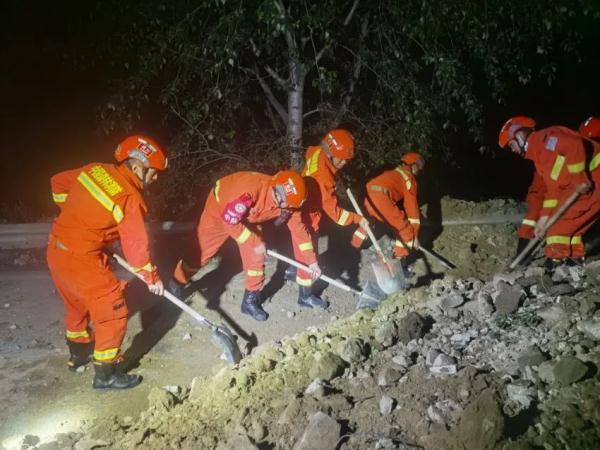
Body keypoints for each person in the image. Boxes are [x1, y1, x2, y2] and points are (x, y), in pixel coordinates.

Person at [48, 135, 167, 390]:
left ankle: (78, 356)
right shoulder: (129, 198)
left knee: (77, 305)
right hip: (83, 261)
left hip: (56, 250)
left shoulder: (94, 170)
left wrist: (71, 213)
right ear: (137, 167)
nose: (156, 179)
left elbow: (57, 183)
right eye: (154, 173)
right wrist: (151, 277)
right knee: (113, 312)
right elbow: (136, 247)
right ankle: (106, 374)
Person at [171, 170, 321, 321]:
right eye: (278, 198)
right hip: (220, 209)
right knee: (201, 255)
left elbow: (299, 232)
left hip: (248, 217)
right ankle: (177, 281)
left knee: (256, 255)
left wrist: (312, 262)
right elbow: (229, 222)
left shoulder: (290, 204)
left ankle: (249, 301)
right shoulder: (250, 190)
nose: (281, 205)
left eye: (287, 206)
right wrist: (255, 241)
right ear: (275, 185)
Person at [499, 116, 600, 267]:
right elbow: (553, 191)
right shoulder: (540, 159)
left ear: (519, 135)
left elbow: (573, 145)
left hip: (595, 182)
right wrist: (544, 219)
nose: (512, 150)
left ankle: (554, 271)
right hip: (592, 186)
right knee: (572, 230)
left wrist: (579, 177)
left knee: (557, 232)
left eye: (511, 144)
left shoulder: (545, 140)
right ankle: (574, 265)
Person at [284, 129, 368, 306]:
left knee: (299, 248)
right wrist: (357, 219)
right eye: (342, 159)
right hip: (307, 215)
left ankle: (293, 270)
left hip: (300, 204)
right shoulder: (324, 180)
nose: (345, 162)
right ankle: (305, 297)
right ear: (331, 154)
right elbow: (336, 215)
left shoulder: (317, 151)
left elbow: (310, 151)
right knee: (309, 253)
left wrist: (334, 169)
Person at [351, 153, 424, 261]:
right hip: (381, 197)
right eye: (419, 169)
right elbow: (412, 209)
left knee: (367, 220)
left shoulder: (395, 172)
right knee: (405, 229)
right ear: (414, 165)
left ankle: (353, 247)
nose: (419, 172)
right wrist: (415, 235)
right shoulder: (409, 179)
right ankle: (399, 262)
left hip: (368, 193)